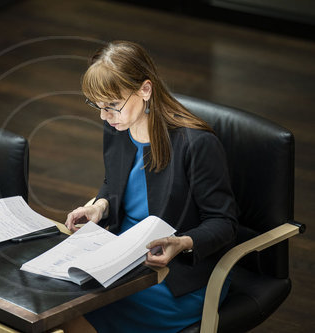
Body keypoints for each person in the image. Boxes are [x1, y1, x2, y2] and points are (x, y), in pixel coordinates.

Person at [63, 41, 238, 332]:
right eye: (97, 105)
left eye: (112, 106)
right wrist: (101, 205)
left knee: (72, 311)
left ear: (145, 90)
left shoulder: (196, 144)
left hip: (178, 275)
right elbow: (114, 181)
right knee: (61, 302)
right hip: (123, 257)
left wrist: (181, 243)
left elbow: (224, 223)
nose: (104, 116)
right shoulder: (117, 127)